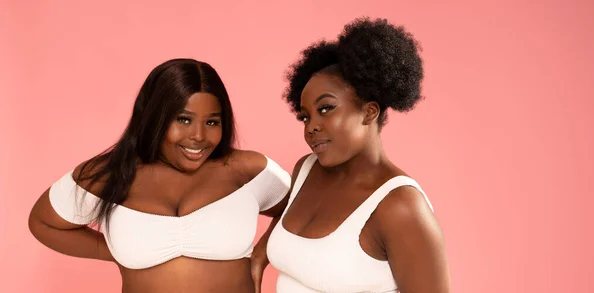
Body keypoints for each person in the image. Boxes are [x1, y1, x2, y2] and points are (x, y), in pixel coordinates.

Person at [28, 58, 291, 293]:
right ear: (154, 118)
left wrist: (259, 257)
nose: (198, 136)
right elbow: (43, 222)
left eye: (212, 122)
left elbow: (297, 207)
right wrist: (114, 251)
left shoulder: (247, 170)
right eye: (183, 120)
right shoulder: (111, 174)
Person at [266, 18, 451, 292]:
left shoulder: (400, 206)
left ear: (369, 112)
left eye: (326, 108)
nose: (311, 127)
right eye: (305, 116)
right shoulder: (306, 169)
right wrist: (258, 256)